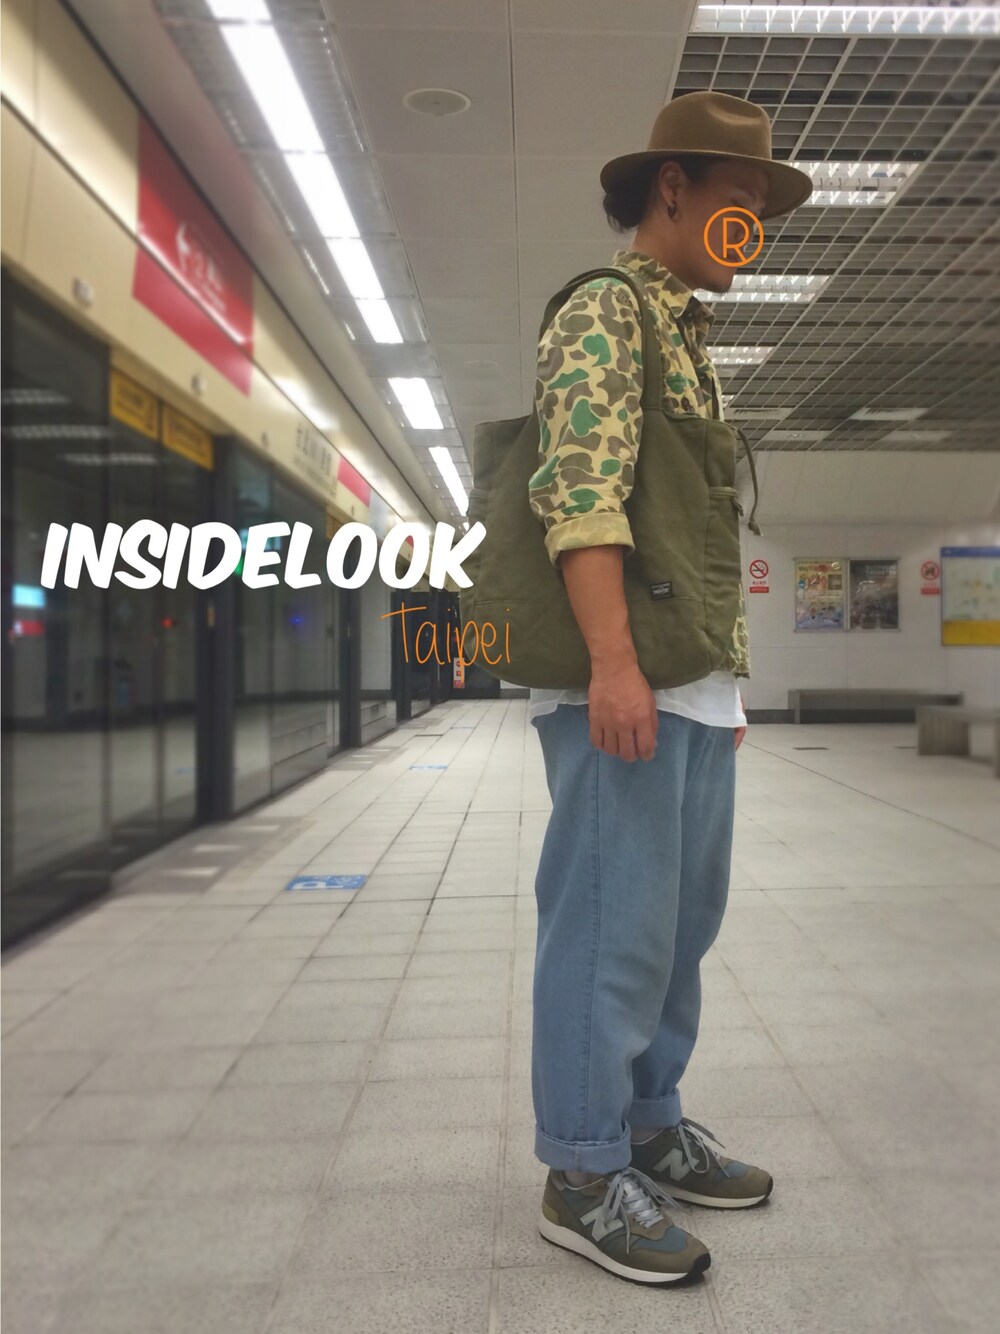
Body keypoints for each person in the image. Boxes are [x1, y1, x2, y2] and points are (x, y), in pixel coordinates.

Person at [527, 91, 812, 1285]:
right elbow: (578, 493)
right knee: (609, 927)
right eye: (738, 201)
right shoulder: (605, 310)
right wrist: (611, 663)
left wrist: (725, 691)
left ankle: (648, 1126)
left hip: (689, 683)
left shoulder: (684, 333)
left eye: (761, 209)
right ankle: (581, 1170)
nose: (753, 226)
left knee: (677, 932)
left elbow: (692, 531)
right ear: (672, 190)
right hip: (629, 675)